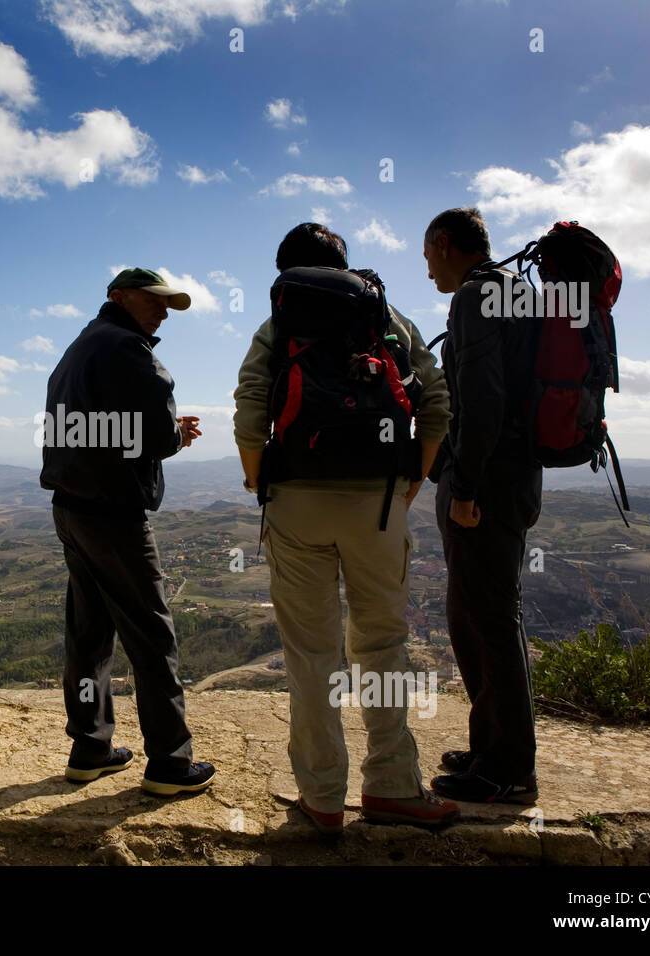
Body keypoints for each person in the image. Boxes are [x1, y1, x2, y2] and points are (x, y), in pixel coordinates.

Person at [233, 223, 459, 831]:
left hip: (296, 501)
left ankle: (323, 798)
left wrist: (260, 481)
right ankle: (392, 786)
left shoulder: (280, 322)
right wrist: (411, 482)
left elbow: (251, 408)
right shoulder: (385, 315)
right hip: (379, 504)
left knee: (311, 655)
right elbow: (436, 401)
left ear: (285, 272)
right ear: (344, 262)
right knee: (382, 643)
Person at [39, 267, 216, 796]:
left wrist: (160, 431)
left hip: (71, 506)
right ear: (118, 296)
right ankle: (170, 764)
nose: (162, 311)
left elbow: (92, 426)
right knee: (151, 634)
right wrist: (175, 435)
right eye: (154, 300)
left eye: (168, 305)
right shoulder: (129, 350)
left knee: (89, 632)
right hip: (113, 513)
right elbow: (154, 435)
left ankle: (90, 749)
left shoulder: (79, 348)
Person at [421, 207, 542, 804]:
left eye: (427, 258)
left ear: (445, 244)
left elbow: (482, 399)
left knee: (486, 621)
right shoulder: (519, 291)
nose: (428, 273)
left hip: (486, 482)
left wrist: (464, 487)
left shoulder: (474, 297)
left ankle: (507, 770)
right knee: (484, 615)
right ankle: (492, 747)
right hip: (517, 476)